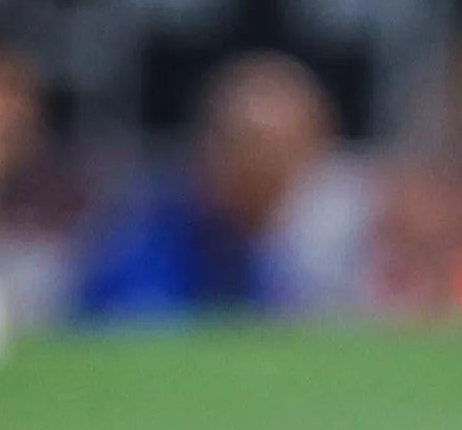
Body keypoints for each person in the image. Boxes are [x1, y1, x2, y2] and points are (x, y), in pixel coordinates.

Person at [74, 53, 373, 319]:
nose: (262, 166)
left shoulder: (354, 227)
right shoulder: (155, 233)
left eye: (282, 149)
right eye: (248, 145)